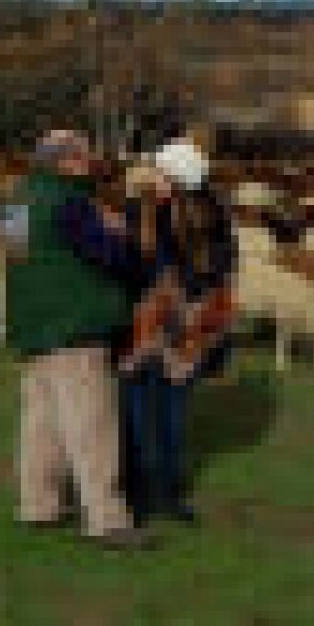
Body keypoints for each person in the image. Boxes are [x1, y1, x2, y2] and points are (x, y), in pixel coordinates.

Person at [3, 129, 156, 550]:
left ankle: (38, 504)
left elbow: (15, 264)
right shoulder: (70, 202)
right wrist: (122, 234)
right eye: (85, 155)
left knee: (41, 421)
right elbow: (112, 257)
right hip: (75, 326)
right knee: (91, 423)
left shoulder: (15, 203)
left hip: (31, 327)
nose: (91, 162)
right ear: (65, 161)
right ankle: (106, 520)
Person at [115, 137, 235, 525]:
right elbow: (220, 268)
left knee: (156, 410)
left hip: (161, 324)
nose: (154, 174)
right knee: (155, 409)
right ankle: (154, 493)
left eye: (161, 171)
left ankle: (152, 493)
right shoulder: (155, 209)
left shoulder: (174, 211)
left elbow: (218, 264)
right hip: (167, 326)